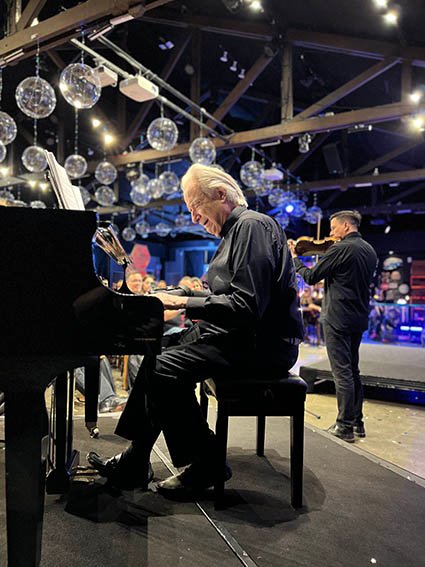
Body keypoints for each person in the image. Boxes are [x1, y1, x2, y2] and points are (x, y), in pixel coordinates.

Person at [88, 163, 304, 494]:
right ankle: (136, 459)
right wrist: (175, 294)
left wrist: (183, 302)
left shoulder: (251, 227)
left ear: (220, 194)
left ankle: (207, 461)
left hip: (264, 346)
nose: (193, 217)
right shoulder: (236, 232)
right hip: (241, 337)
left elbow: (246, 306)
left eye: (196, 206)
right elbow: (220, 294)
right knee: (157, 349)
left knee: (163, 368)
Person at [288, 210, 377, 442]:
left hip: (337, 317)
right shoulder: (369, 250)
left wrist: (294, 258)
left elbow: (311, 276)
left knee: (342, 372)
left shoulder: (340, 249)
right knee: (353, 371)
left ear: (346, 226)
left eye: (333, 228)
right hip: (358, 317)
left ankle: (344, 426)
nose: (330, 233)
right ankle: (357, 423)